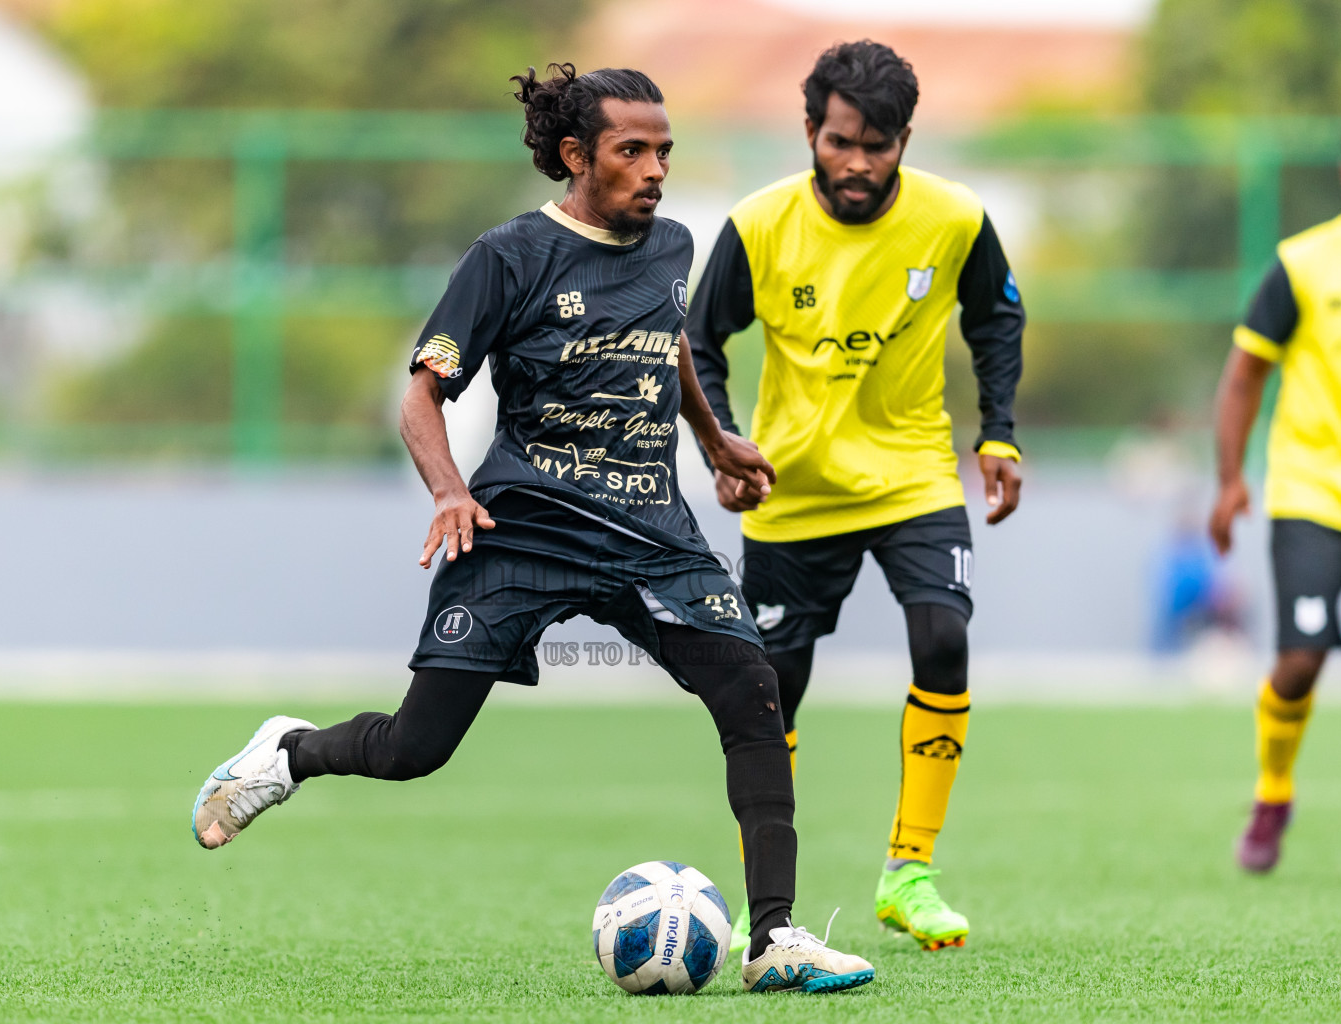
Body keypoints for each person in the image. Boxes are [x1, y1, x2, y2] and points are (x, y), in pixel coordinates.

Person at [190, 63, 874, 994]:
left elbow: (663, 340)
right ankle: (289, 752)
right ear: (574, 155)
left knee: (751, 690)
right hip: (523, 531)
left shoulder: (674, 245)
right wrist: (445, 491)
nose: (655, 168)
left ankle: (776, 939)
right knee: (413, 750)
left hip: (650, 533)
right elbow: (421, 395)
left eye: (664, 150)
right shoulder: (508, 257)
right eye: (632, 151)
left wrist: (712, 440)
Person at [688, 40, 1024, 953]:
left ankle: (909, 870)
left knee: (943, 637)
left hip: (914, 474)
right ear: (810, 131)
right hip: (790, 489)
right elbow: (698, 343)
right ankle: (774, 897)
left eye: (880, 146)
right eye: (841, 142)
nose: (859, 164)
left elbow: (997, 315)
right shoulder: (758, 225)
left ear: (906, 140)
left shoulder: (955, 219)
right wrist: (721, 443)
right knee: (772, 694)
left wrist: (996, 429)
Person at [1210, 110, 1341, 877]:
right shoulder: (1303, 264)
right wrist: (1228, 481)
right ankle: (1274, 792)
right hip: (1312, 496)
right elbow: (1245, 373)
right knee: (1301, 660)